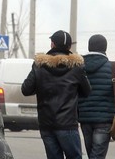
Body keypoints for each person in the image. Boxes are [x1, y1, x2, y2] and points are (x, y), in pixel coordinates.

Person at [21, 30, 91, 159]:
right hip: (68, 123)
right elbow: (87, 91)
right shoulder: (77, 67)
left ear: (52, 44)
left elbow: (25, 89)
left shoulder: (39, 65)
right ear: (70, 47)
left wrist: (41, 86)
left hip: (46, 123)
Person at [78, 34, 115, 159]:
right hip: (104, 119)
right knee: (97, 155)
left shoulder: (79, 67)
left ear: (89, 47)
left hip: (84, 118)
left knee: (92, 153)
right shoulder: (114, 68)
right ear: (105, 48)